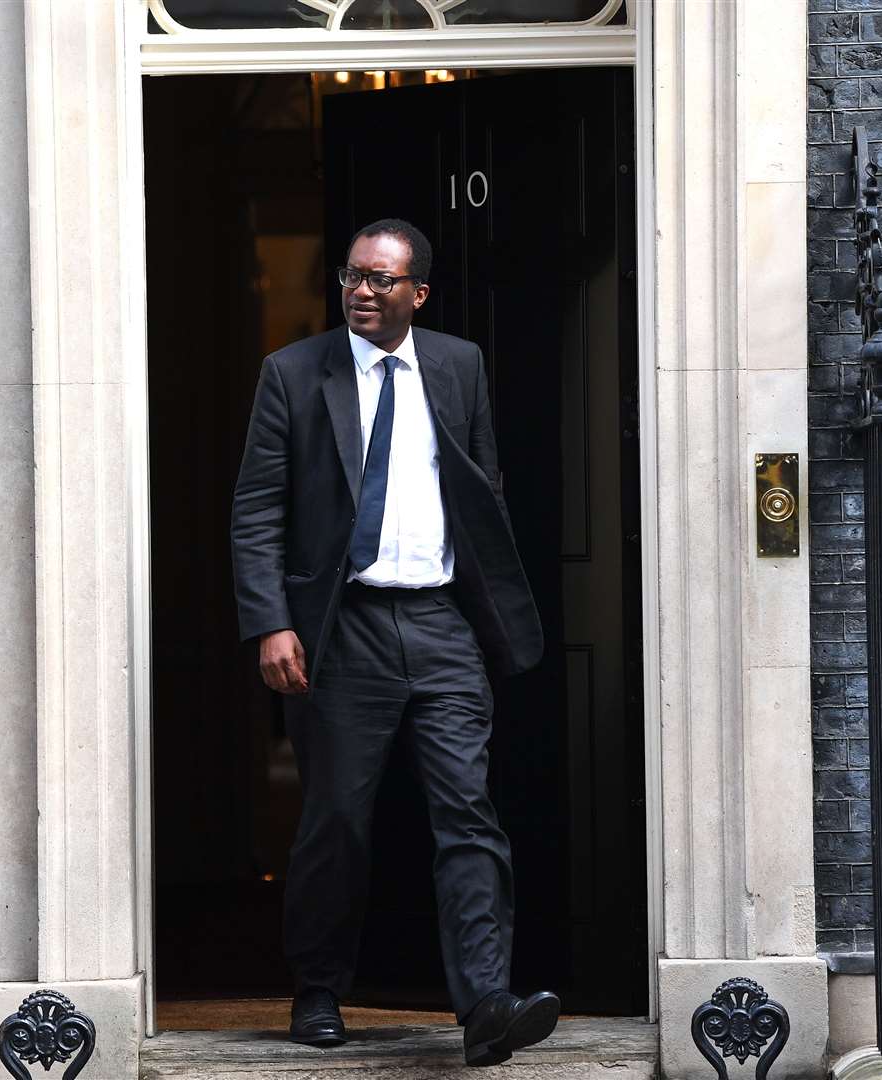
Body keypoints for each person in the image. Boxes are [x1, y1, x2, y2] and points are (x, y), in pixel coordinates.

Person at [230, 218, 557, 1067]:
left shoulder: (459, 365)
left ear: (418, 292)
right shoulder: (294, 374)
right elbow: (257, 508)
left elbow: (484, 495)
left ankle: (485, 1000)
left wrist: (490, 618)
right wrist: (271, 620)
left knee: (468, 814)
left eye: (382, 280)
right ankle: (318, 988)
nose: (363, 292)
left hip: (445, 625)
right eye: (353, 276)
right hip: (346, 629)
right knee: (336, 818)